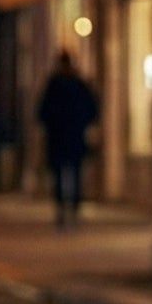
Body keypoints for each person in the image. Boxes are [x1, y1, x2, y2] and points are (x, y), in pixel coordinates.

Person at [37, 49, 99, 225]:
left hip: (62, 138)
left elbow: (42, 113)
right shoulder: (76, 85)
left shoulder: (57, 85)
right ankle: (69, 208)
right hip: (71, 137)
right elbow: (93, 109)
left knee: (64, 174)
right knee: (72, 173)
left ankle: (65, 208)